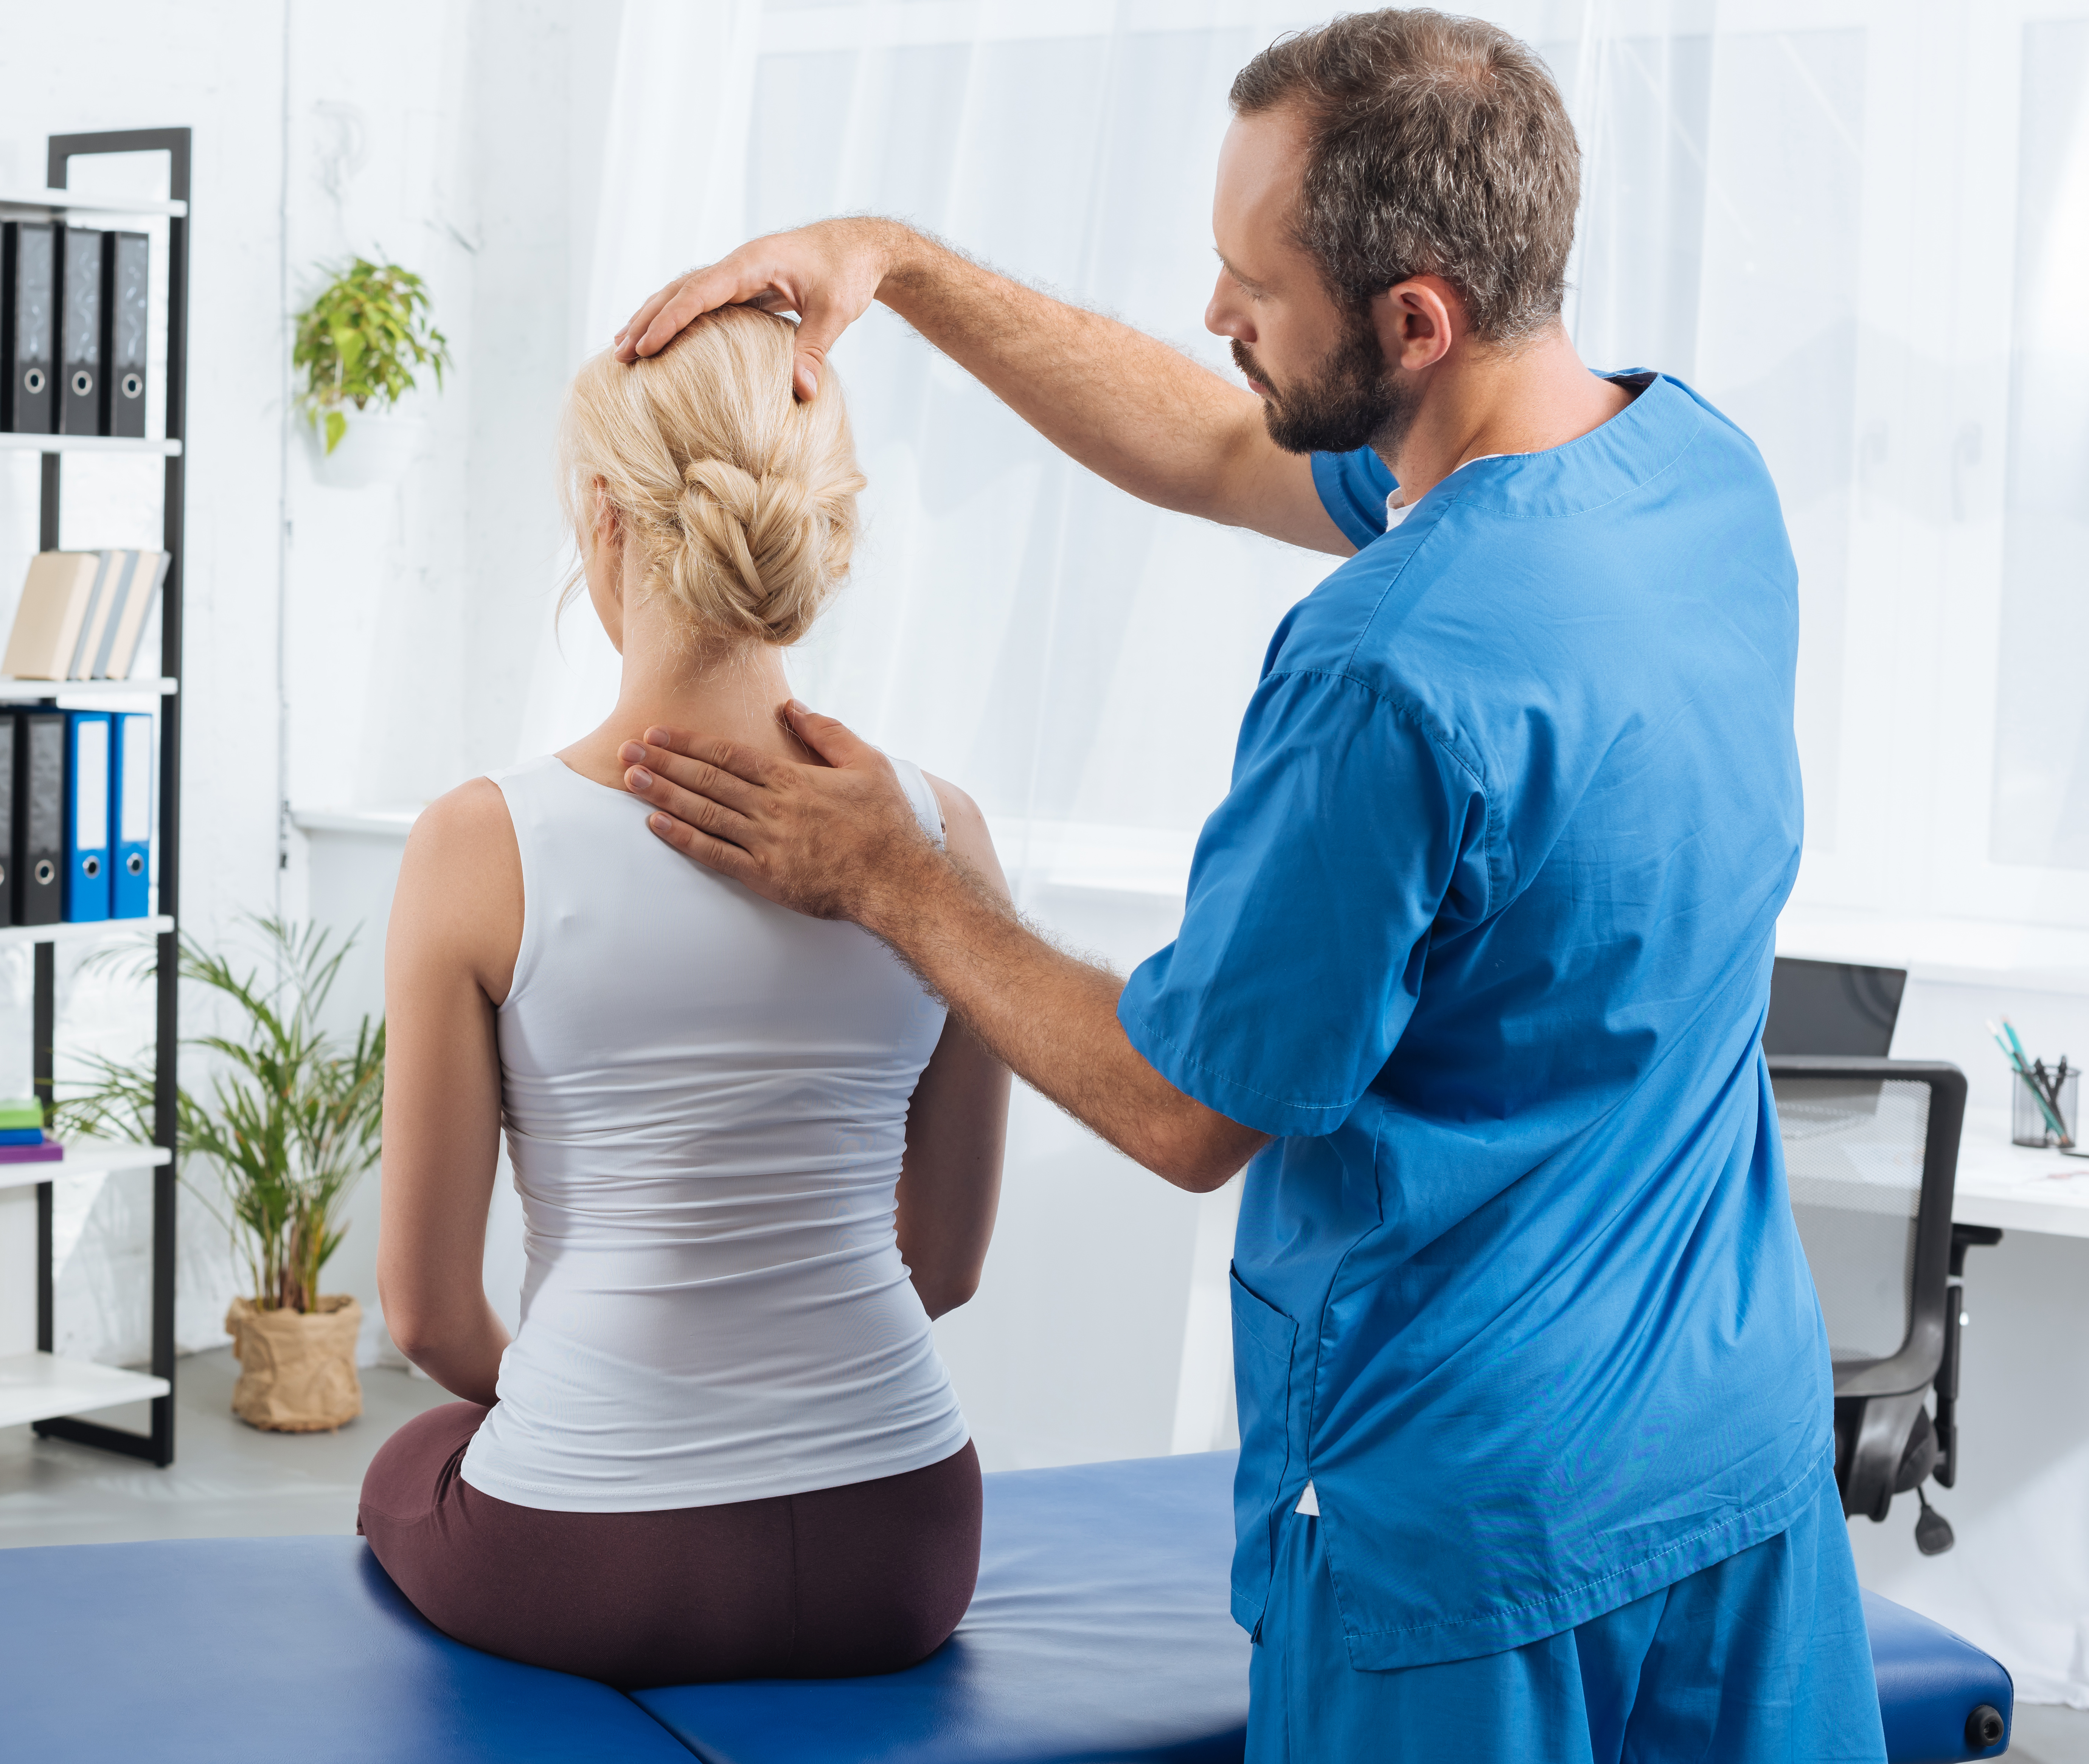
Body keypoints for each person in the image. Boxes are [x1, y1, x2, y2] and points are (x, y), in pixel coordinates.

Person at [601, 10, 1883, 1760]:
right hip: (1731, 1460)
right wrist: (890, 262)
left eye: (1250, 288)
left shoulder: (1387, 666)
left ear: (1411, 319)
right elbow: (1210, 448)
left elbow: (1186, 1109)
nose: (1218, 316)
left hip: (1467, 1531)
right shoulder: (1691, 474)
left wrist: (894, 880)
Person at [361, 303, 1012, 1690]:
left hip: (597, 1556)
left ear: (604, 515)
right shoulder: (947, 832)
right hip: (905, 1542)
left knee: (408, 1466)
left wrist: (597, 1402)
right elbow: (944, 1268)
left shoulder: (481, 843)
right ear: (820, 526)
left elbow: (424, 1315)